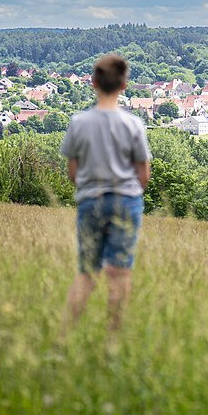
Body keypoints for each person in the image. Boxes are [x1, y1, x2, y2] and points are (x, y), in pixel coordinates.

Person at [60, 53, 151, 335]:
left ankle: (64, 338)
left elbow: (72, 171)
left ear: (93, 82)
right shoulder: (133, 125)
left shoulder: (79, 123)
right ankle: (112, 341)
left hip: (90, 200)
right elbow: (144, 173)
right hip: (126, 201)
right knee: (120, 273)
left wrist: (88, 190)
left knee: (86, 272)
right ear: (124, 84)